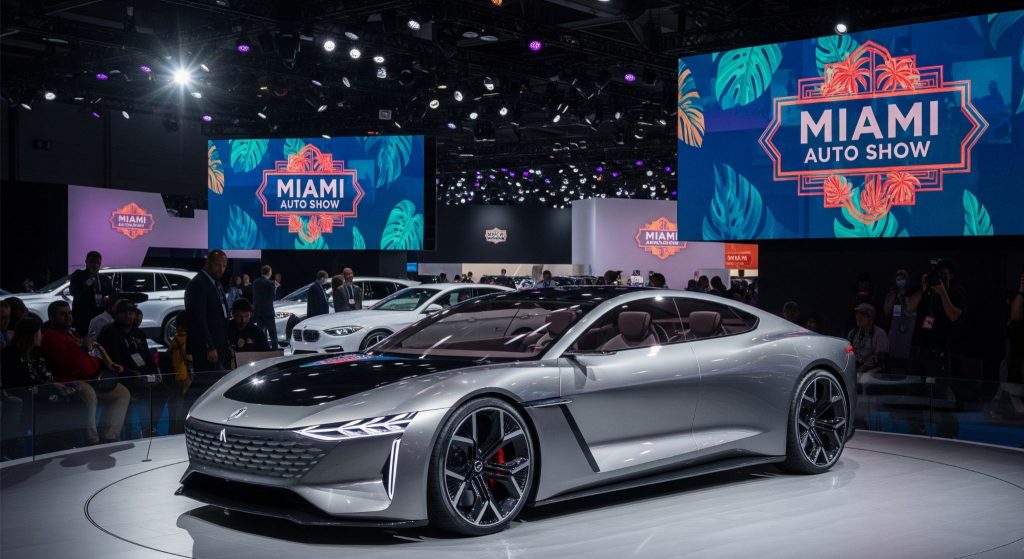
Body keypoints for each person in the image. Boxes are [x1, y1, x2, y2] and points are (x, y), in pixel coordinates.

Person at [39, 300, 130, 444]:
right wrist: (83, 347)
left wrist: (109, 364)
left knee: (122, 393)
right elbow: (65, 361)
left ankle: (109, 436)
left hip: (93, 377)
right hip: (69, 380)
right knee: (89, 394)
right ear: (51, 317)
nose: (68, 316)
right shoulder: (50, 337)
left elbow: (92, 352)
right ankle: (92, 440)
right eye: (62, 314)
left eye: (69, 313)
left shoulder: (72, 332)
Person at [1, 318, 90, 451]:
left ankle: (70, 441)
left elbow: (46, 375)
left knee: (78, 400)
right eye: (39, 333)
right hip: (24, 394)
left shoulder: (37, 352)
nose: (41, 336)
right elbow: (22, 380)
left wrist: (59, 386)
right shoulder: (11, 353)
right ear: (31, 334)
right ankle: (52, 445)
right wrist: (53, 387)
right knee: (55, 404)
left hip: (43, 390)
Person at [907, 258, 963, 437]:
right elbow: (909, 308)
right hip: (918, 349)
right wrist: (924, 289)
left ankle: (946, 431)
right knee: (915, 393)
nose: (939, 279)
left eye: (943, 275)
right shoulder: (925, 292)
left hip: (939, 352)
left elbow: (954, 315)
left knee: (940, 394)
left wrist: (943, 293)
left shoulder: (954, 293)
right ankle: (917, 429)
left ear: (950, 276)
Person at [98, 300, 169, 437]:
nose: (128, 316)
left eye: (131, 313)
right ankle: (132, 430)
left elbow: (148, 358)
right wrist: (133, 375)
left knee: (163, 390)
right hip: (122, 377)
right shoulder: (109, 333)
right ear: (116, 315)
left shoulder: (138, 333)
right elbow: (112, 362)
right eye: (124, 313)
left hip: (143, 375)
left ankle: (151, 427)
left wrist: (155, 374)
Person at [185, 250, 231, 372]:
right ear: (208, 263)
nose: (221, 269)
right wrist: (209, 347)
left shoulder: (217, 284)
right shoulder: (197, 284)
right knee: (207, 383)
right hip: (206, 349)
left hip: (218, 343)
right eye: (217, 265)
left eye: (224, 266)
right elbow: (197, 320)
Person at [69, 251, 113, 335]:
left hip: (101, 314)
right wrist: (90, 280)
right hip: (83, 315)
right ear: (86, 262)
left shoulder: (105, 278)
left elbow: (110, 293)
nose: (95, 265)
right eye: (92, 262)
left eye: (98, 263)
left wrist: (107, 298)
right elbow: (73, 292)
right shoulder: (78, 275)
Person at [166, 310, 191, 434]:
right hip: (184, 378)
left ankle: (174, 429)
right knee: (182, 407)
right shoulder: (185, 340)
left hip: (176, 378)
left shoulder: (176, 340)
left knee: (175, 407)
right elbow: (188, 358)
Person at [847, 303, 889, 373]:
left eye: (863, 314)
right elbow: (848, 351)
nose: (858, 316)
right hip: (854, 368)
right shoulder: (852, 334)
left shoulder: (880, 334)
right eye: (857, 313)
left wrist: (863, 368)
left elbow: (880, 357)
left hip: (873, 372)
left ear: (871, 318)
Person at [252, 265, 278, 349]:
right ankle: (275, 351)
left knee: (260, 333)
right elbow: (273, 297)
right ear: (269, 272)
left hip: (258, 311)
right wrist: (276, 288)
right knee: (272, 333)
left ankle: (261, 349)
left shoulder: (255, 282)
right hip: (268, 312)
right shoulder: (270, 283)